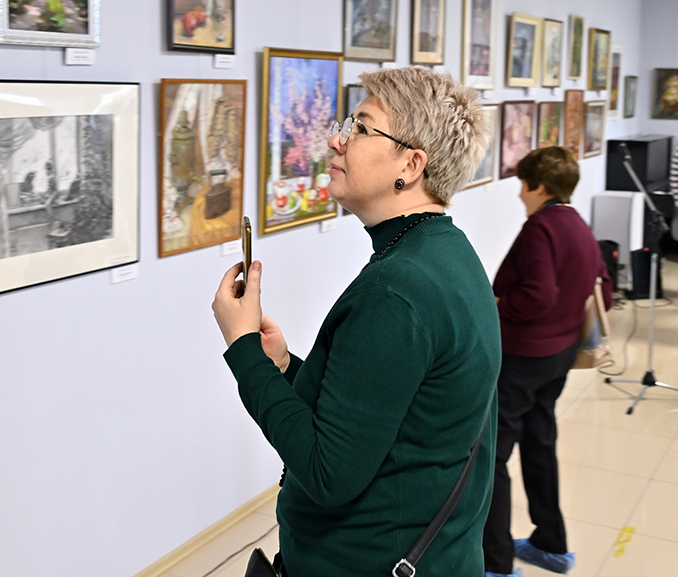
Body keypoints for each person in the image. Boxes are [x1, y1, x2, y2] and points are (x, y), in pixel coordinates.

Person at [212, 67, 501, 577]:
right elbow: (377, 414)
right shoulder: (445, 253)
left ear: (410, 165)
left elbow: (327, 472)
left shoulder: (397, 290)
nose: (335, 139)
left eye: (362, 128)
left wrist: (243, 351)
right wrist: (281, 366)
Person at [483, 146, 612, 577]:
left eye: (522, 184)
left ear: (538, 185)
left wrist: (496, 304)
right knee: (540, 444)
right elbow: (604, 291)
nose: (519, 194)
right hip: (558, 358)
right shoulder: (578, 225)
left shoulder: (540, 228)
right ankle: (551, 545)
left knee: (491, 457)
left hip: (521, 359)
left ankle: (497, 563)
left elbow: (538, 295)